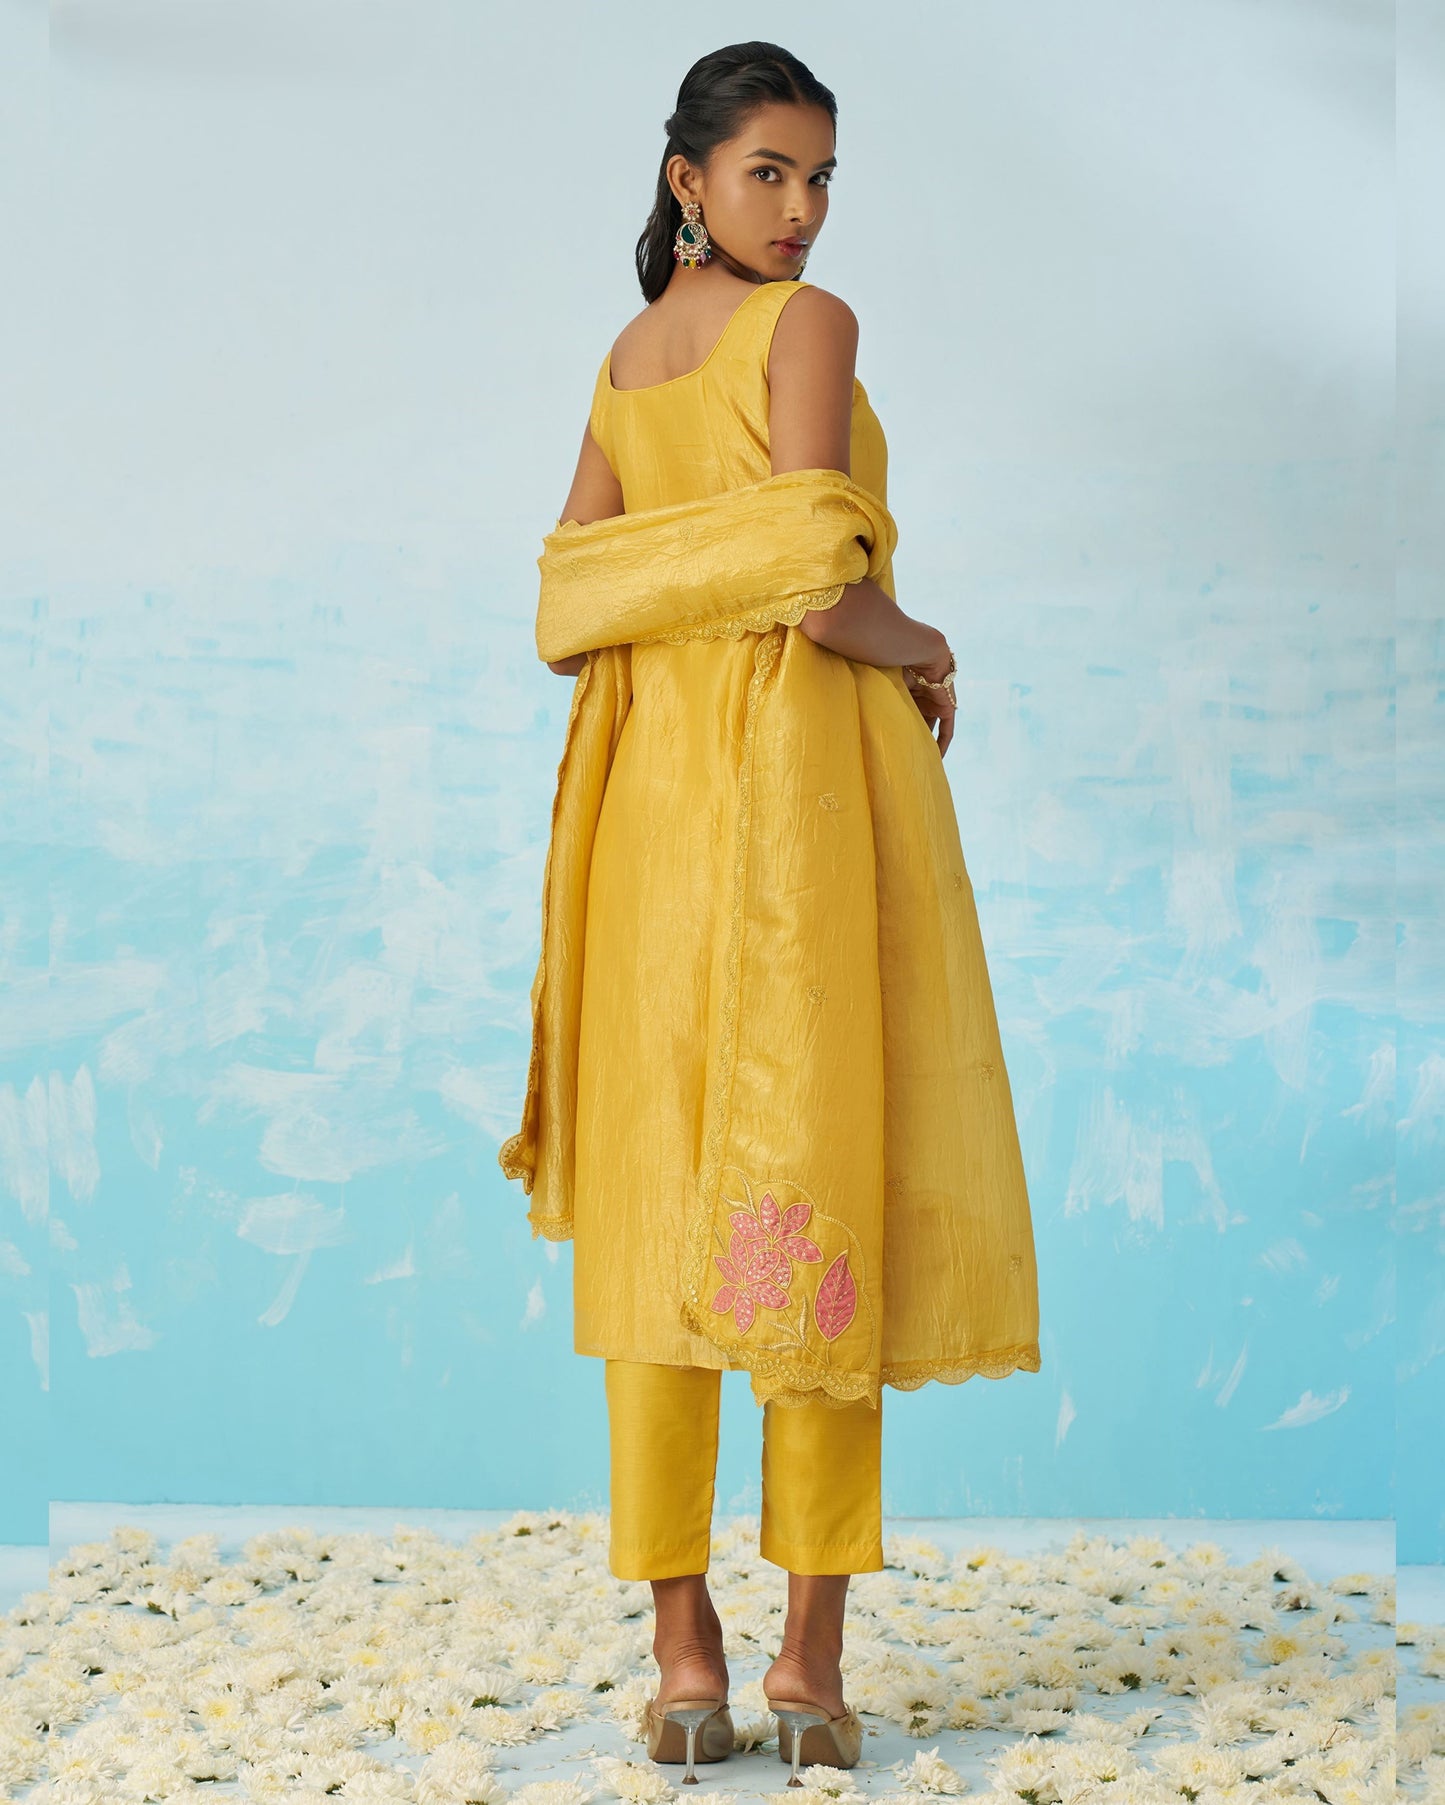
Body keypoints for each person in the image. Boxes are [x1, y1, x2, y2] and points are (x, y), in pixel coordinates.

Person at [498, 41, 1041, 1786]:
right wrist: (924, 639)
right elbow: (816, 581)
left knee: (662, 1212)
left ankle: (683, 1660)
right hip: (795, 801)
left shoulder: (626, 360)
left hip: (648, 814)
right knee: (813, 1184)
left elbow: (576, 593)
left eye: (818, 181)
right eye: (767, 173)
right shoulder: (807, 329)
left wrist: (683, 574)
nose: (800, 211)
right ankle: (806, 1664)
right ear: (689, 180)